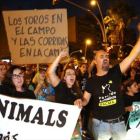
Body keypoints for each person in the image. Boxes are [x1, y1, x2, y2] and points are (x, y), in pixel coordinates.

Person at [74, 23, 140, 140]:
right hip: (100, 125)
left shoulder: (115, 72)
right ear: (95, 61)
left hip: (119, 123)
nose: (105, 57)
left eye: (106, 56)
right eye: (101, 56)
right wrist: (80, 101)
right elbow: (85, 100)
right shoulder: (91, 81)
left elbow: (132, 55)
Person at [47, 51, 82, 140]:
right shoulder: (60, 86)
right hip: (60, 124)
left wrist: (80, 124)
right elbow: (50, 72)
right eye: (69, 74)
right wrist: (59, 57)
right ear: (64, 77)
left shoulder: (77, 90)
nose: (72, 76)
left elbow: (78, 109)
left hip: (73, 124)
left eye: (73, 74)